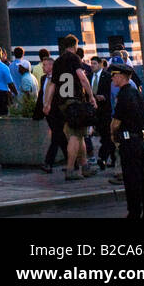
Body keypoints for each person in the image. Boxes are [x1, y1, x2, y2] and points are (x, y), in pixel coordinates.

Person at [109, 61, 144, 219]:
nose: (112, 79)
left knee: (131, 180)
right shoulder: (136, 92)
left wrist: (113, 135)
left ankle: (134, 212)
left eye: (114, 76)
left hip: (128, 143)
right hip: (140, 141)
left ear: (121, 77)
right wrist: (142, 130)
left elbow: (116, 122)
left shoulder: (123, 94)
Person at [50, 34, 97, 181]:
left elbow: (52, 84)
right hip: (75, 101)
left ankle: (85, 166)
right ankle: (70, 169)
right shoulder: (75, 58)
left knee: (80, 133)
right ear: (75, 45)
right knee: (75, 135)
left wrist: (47, 103)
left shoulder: (57, 61)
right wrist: (91, 96)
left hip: (62, 102)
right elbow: (82, 77)